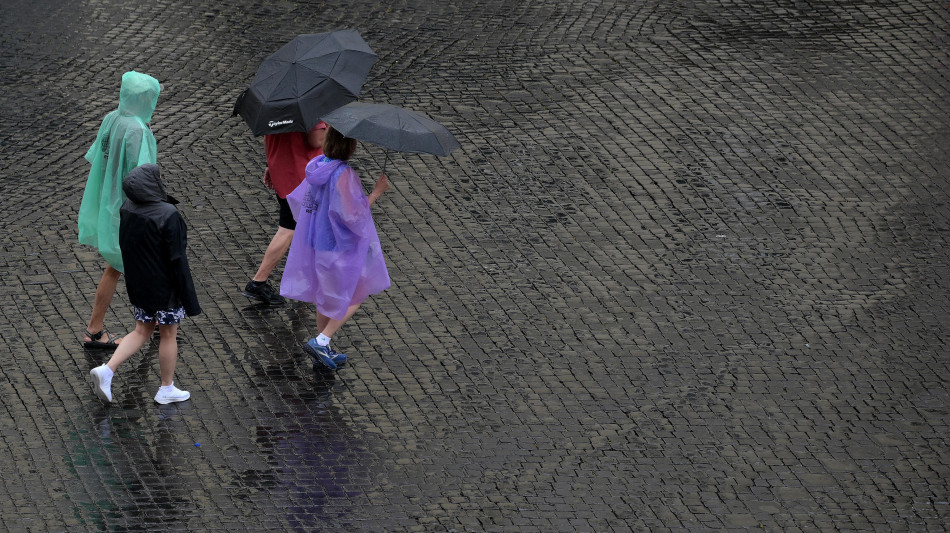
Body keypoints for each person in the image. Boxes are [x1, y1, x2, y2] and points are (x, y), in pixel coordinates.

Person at [89, 164, 201, 404]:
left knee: (142, 329)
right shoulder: (169, 214)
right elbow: (177, 259)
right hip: (165, 287)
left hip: (140, 284)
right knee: (168, 334)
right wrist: (189, 299)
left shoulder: (127, 208)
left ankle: (107, 370)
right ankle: (166, 388)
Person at [280, 127, 390, 370]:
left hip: (318, 244)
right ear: (350, 146)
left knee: (325, 298)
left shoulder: (317, 166)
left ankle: (323, 349)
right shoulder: (343, 175)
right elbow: (352, 216)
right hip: (339, 248)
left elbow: (302, 202)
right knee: (356, 293)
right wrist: (376, 193)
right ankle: (322, 339)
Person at [78, 70, 162, 350]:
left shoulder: (111, 118)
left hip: (112, 204)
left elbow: (97, 158)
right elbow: (143, 175)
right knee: (139, 264)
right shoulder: (137, 129)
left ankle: (98, 329)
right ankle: (149, 321)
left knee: (117, 266)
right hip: (132, 209)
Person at [243, 122, 328, 305]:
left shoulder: (276, 106)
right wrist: (331, 130)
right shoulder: (311, 106)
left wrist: (269, 164)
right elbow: (315, 140)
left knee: (305, 227)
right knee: (288, 228)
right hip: (302, 176)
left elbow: (269, 137)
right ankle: (258, 282)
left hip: (282, 171)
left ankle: (305, 277)